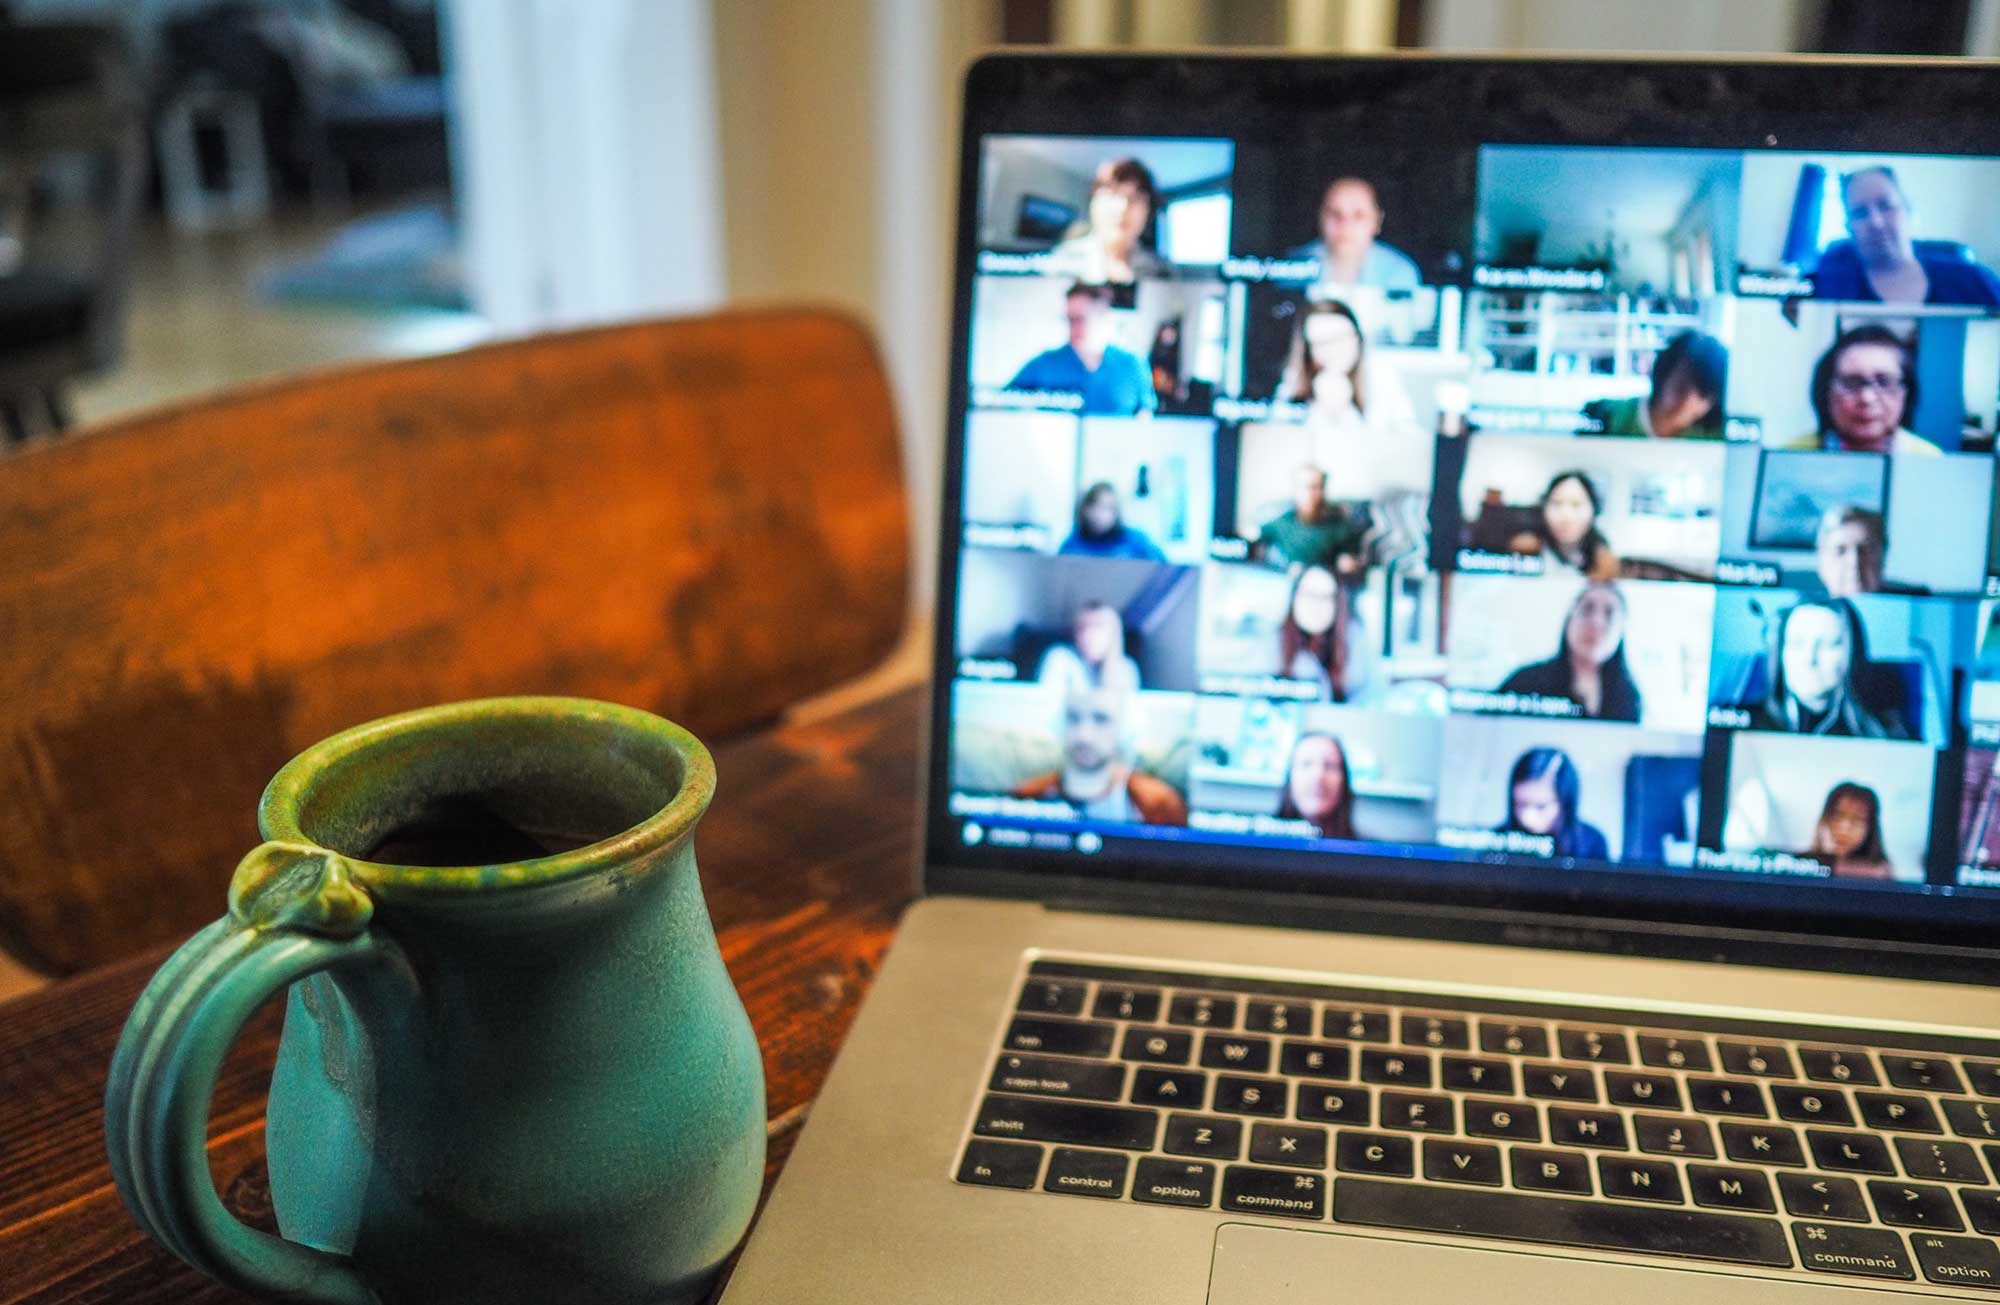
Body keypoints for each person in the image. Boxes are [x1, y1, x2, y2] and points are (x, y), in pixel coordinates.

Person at [1808, 166, 2000, 308]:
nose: (1876, 222)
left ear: (1908, 211)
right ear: (1848, 228)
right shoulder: (1826, 289)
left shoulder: (1973, 280)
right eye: (1860, 213)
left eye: (1886, 205)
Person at [1011, 685, 1187, 824]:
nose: (1084, 735)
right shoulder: (1028, 796)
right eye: (1073, 718)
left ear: (1125, 729)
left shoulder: (1159, 803)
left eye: (1101, 719)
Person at [1744, 598, 1914, 739]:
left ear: (1852, 653)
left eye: (1828, 644)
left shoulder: (1886, 732)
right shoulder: (1745, 721)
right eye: (1797, 644)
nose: (1809, 659)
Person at [1784, 324, 1940, 456]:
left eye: (1884, 382)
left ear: (1905, 393)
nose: (1867, 398)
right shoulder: (1791, 455)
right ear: (1826, 392)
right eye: (1851, 383)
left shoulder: (1928, 459)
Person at [1496, 582, 1643, 722]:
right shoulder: (1524, 682)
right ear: (1569, 619)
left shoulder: (1629, 698)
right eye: (1587, 609)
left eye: (1609, 614)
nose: (1596, 623)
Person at [1006, 282, 1157, 417]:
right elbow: (1003, 406)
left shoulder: (1132, 365)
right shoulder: (1043, 365)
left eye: (1079, 319)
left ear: (1102, 316)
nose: (1072, 327)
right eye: (1069, 320)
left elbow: (1144, 418)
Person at [1044, 157, 1168, 284]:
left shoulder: (1161, 272)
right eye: (1113, 194)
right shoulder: (1058, 264)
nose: (1123, 207)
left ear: (1148, 210)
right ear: (1093, 203)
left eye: (1135, 198)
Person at [1284, 177, 1421, 292]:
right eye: (1335, 214)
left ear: (1377, 221)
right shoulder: (1292, 266)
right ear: (1320, 217)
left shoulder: (1399, 271)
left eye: (1358, 216)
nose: (1345, 225)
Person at [1584, 331, 1728, 439]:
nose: (1687, 401)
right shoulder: (1609, 416)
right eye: (1681, 387)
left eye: (1702, 395)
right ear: (1663, 375)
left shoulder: (1713, 437)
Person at [1498, 747, 1610, 860]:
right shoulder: (1497, 839)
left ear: (1564, 803)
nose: (1527, 818)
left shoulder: (1592, 842)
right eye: (1520, 804)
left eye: (1541, 806)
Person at [1254, 464, 1368, 573]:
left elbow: (1351, 557)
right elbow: (1254, 537)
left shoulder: (1340, 527)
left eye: (1319, 487)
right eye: (1307, 487)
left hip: (1323, 585)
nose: (1313, 494)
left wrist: (1347, 562)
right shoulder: (1280, 523)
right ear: (1295, 490)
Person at [1506, 471, 1619, 580]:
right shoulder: (1526, 547)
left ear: (1594, 510)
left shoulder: (1603, 559)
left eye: (1576, 504)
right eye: (1557, 503)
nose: (1566, 516)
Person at [1035, 601, 1142, 694]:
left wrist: (1110, 667)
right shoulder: (1059, 658)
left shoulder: (1126, 668)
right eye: (1082, 627)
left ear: (1114, 634)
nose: (1088, 635)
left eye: (1097, 626)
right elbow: (1048, 705)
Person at [1277, 565, 1347, 701]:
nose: (1317, 605)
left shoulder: (1353, 647)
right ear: (1294, 598)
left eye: (1326, 597)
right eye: (1309, 594)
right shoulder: (1270, 646)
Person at [1806, 781, 1895, 880]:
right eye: (1837, 816)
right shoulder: (1799, 865)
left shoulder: (1880, 874)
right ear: (1824, 819)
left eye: (1857, 820)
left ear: (1870, 829)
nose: (1843, 829)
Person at [1276, 732, 1357, 839]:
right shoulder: (1258, 840)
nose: (1318, 776)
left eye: (1330, 765)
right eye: (1306, 763)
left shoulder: (1369, 850)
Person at [1058, 483, 1165, 561]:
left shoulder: (1137, 541)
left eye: (1108, 508)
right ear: (1085, 510)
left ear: (1116, 512)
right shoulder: (1072, 543)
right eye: (1096, 506)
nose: (1100, 515)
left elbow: (1164, 568)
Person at [1815, 505, 1888, 597]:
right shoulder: (1802, 610)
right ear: (1821, 563)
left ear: (1882, 557)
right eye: (1840, 551)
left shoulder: (1908, 608)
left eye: (1866, 550)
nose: (1854, 562)